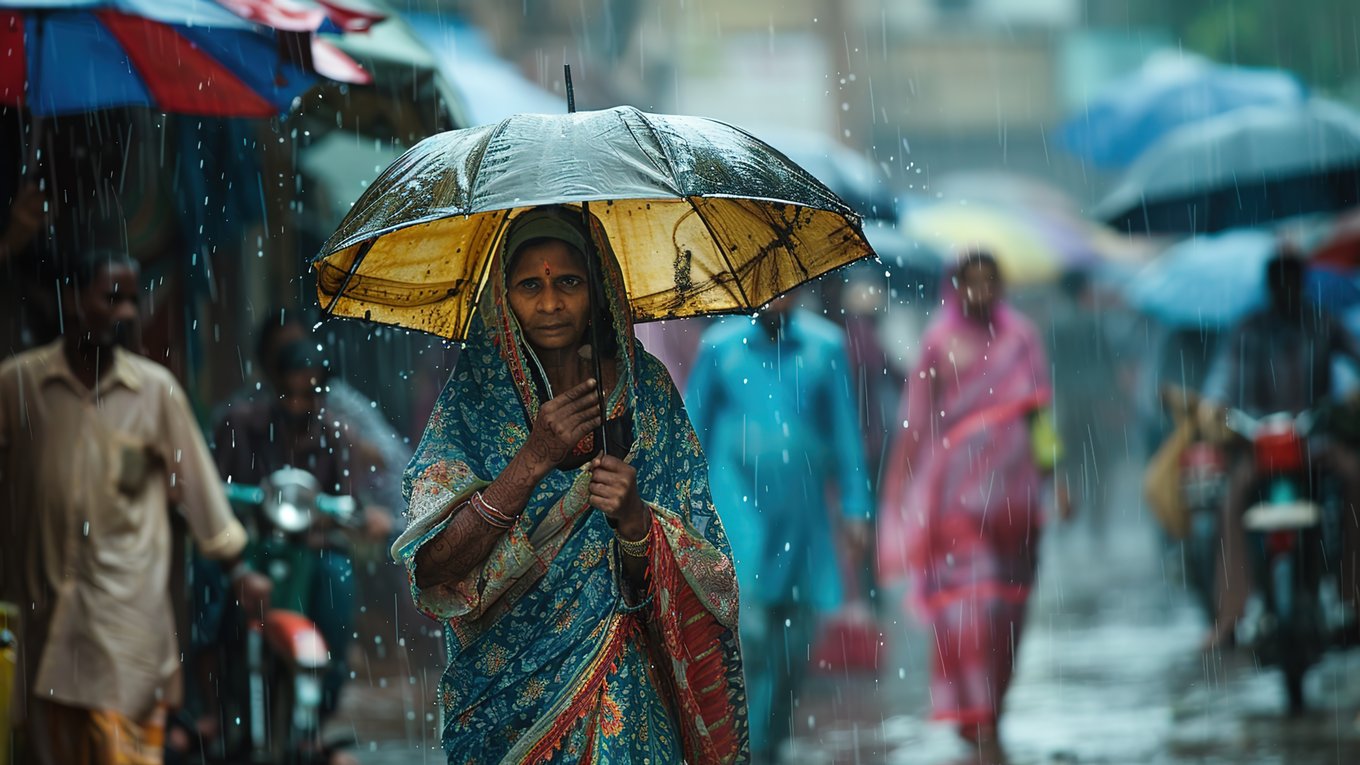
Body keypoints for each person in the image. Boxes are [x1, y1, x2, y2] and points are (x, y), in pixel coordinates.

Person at [392, 205, 748, 763]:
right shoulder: (474, 402)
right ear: (502, 297)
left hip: (624, 674)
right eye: (530, 285)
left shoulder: (644, 390)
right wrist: (533, 459)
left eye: (570, 282)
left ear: (598, 288)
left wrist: (636, 523)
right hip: (505, 695)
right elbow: (434, 568)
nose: (551, 304)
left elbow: (708, 571)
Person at [0, 249, 268, 765]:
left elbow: (200, 490)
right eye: (111, 298)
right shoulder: (18, 385)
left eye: (132, 300)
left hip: (125, 619)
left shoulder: (155, 392)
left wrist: (238, 570)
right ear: (72, 300)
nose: (125, 313)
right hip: (43, 620)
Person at [877, 249, 1058, 758]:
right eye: (970, 282)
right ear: (955, 287)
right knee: (970, 607)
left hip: (1017, 503)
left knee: (1009, 609)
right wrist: (904, 493)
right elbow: (915, 425)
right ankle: (975, 716)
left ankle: (993, 708)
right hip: (956, 504)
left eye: (989, 281)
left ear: (1001, 286)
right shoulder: (938, 343)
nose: (980, 291)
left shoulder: (1022, 339)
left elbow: (1040, 414)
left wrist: (1056, 477)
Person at [686, 290, 873, 764]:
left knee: (796, 639)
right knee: (750, 632)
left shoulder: (825, 347)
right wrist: (685, 511)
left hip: (803, 514)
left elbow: (846, 434)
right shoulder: (720, 348)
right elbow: (690, 433)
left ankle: (771, 740)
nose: (777, 296)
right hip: (738, 510)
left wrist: (856, 508)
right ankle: (745, 746)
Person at [1200, 251, 1360, 649]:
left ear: (1302, 282)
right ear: (1269, 285)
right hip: (1261, 445)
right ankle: (1230, 614)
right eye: (1278, 280)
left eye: (1292, 279)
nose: (1285, 288)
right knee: (1230, 501)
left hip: (1316, 442)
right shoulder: (1248, 331)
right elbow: (1222, 378)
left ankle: (1353, 596)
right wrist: (1214, 405)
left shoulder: (1323, 322)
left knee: (1356, 482)